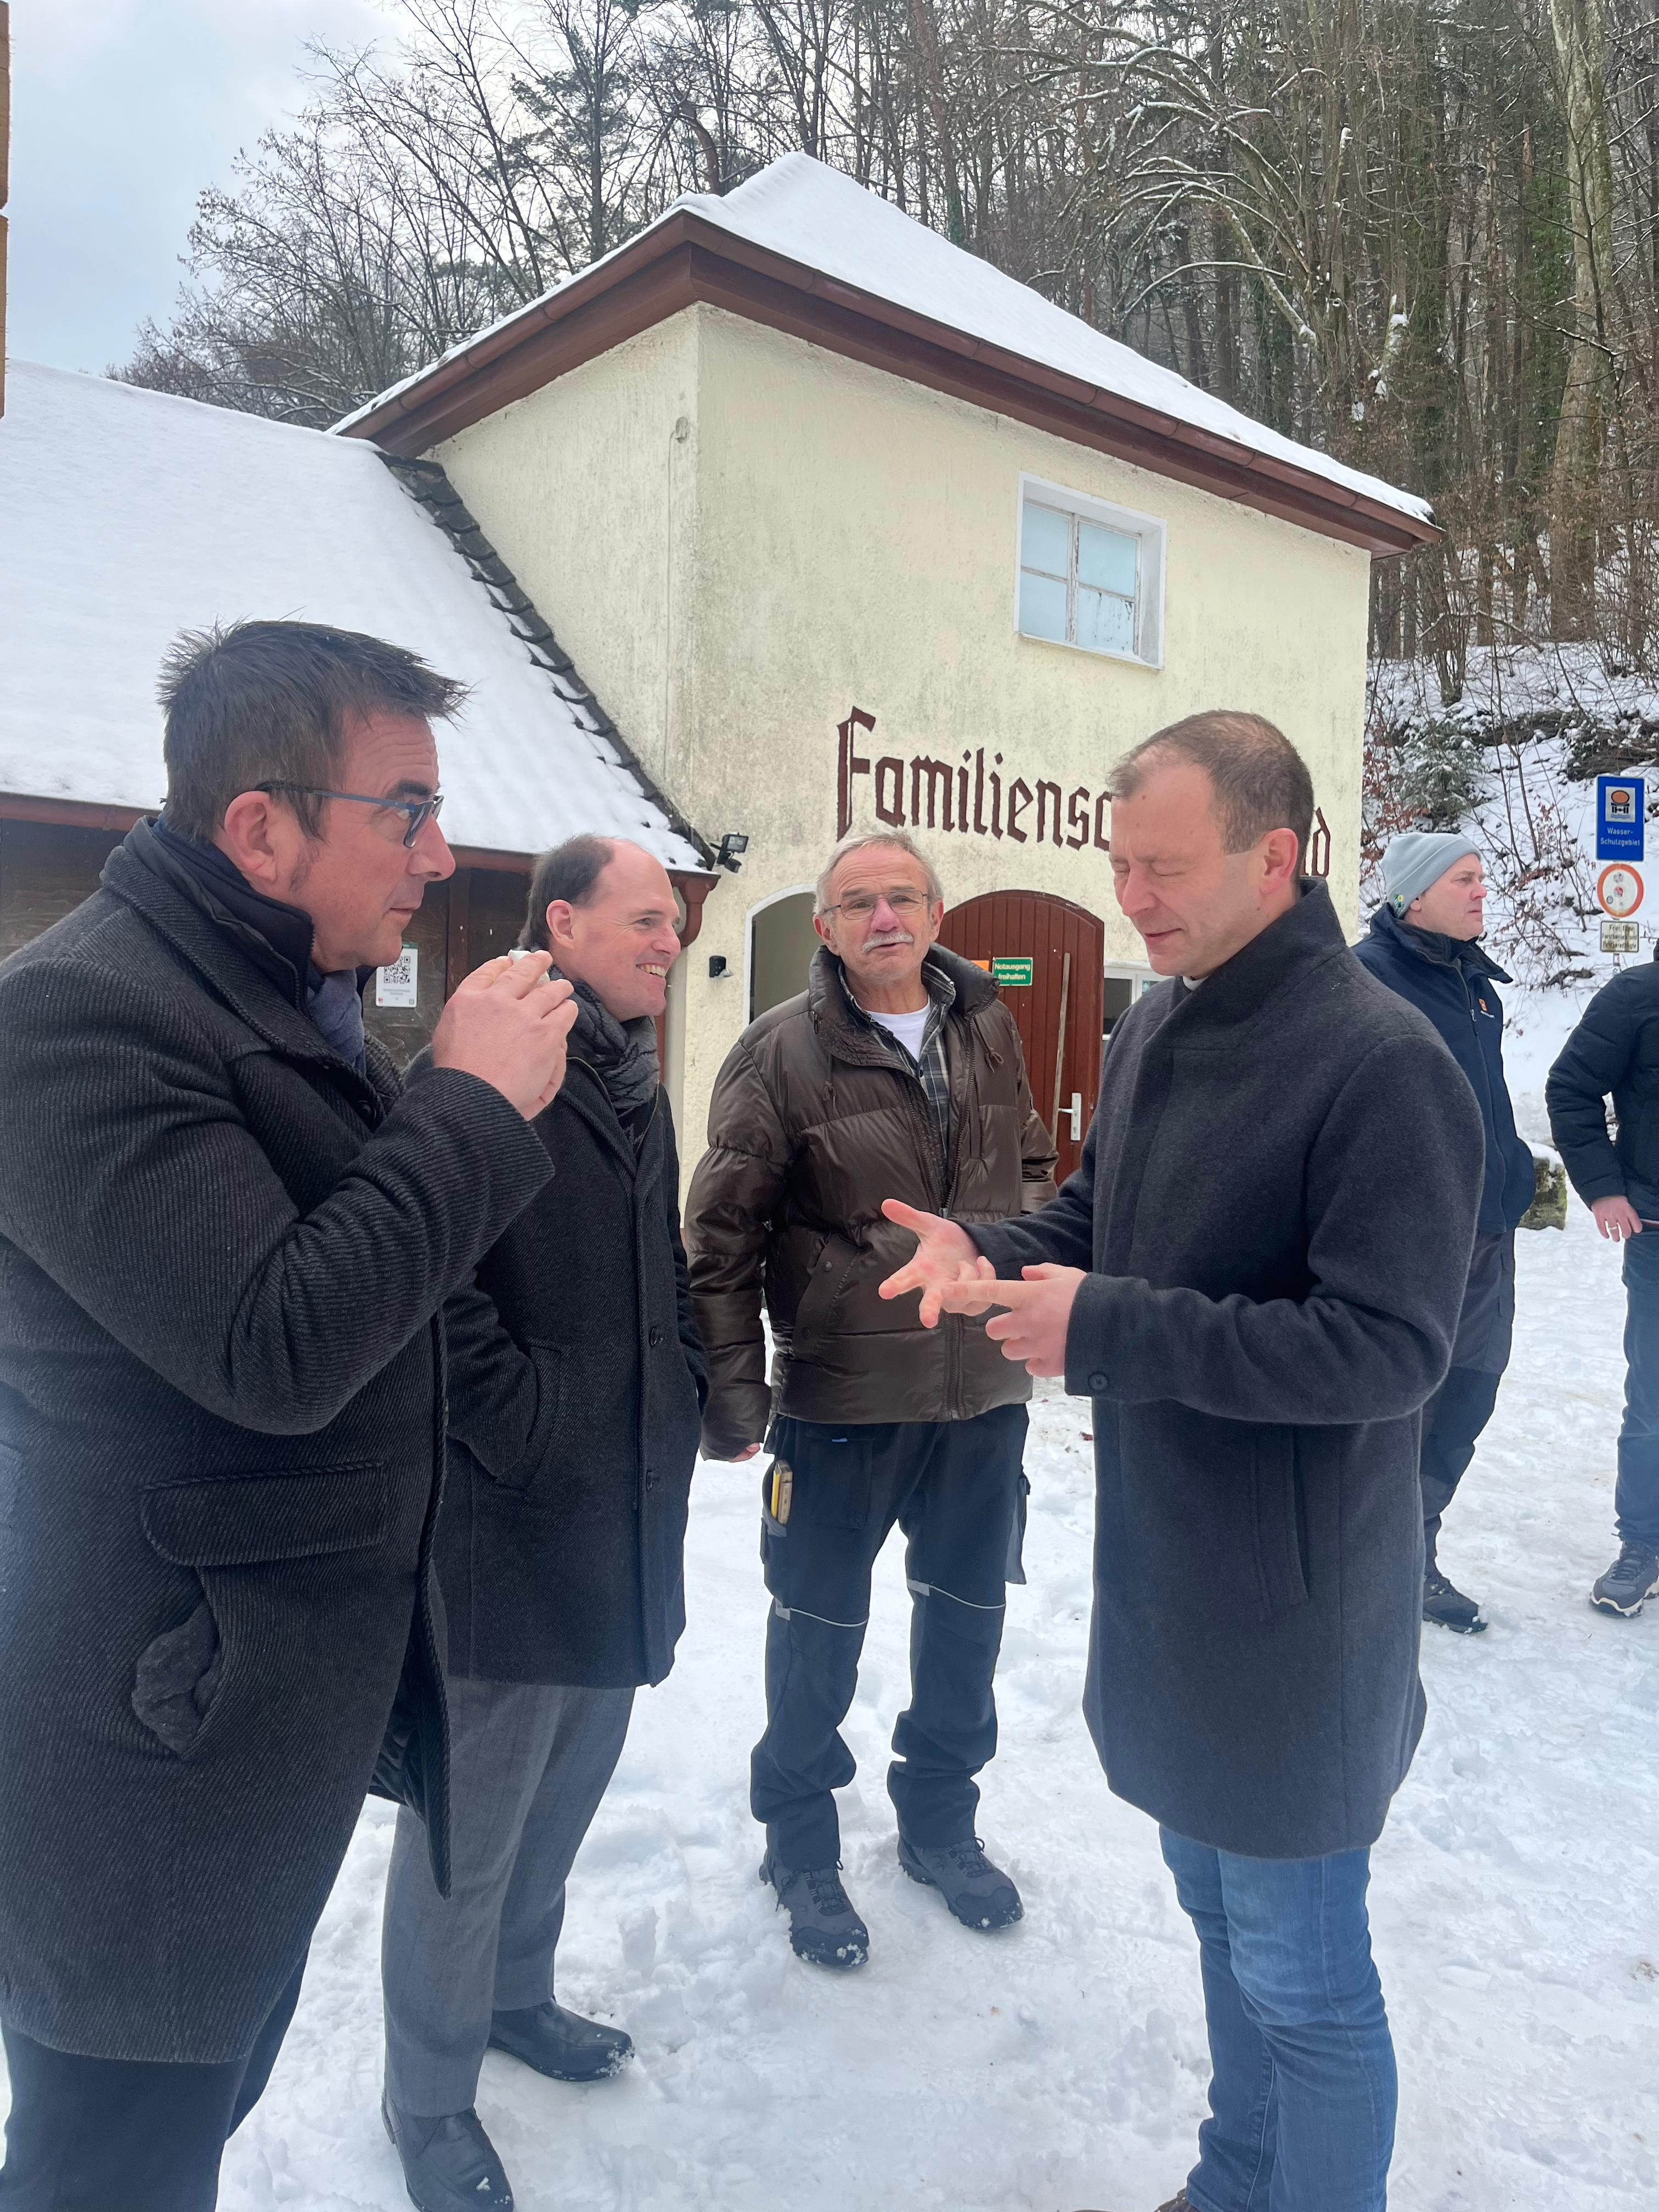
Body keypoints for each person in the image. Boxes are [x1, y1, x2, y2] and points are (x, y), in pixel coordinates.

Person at [0, 619, 578, 2212]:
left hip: (251, 1733)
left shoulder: (278, 993)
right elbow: (276, 1344)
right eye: (407, 811)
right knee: (111, 2163)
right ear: (261, 829)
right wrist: (468, 1101)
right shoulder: (72, 1019)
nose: (438, 855)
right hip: (144, 1761)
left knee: (196, 2106)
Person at [882, 713, 1483, 2212]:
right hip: (1171, 1582)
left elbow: (1390, 1350)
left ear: (1275, 858)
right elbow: (1103, 1226)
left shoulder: (1383, 1061)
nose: (1131, 896)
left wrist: (1109, 1329)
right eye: (1120, 864)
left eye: (1164, 868)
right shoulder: (1161, 1020)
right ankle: (1237, 2176)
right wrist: (990, 1249)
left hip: (1297, 1616)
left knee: (1307, 1981)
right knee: (1219, 1923)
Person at [380, 835, 707, 2212]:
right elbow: (424, 1272)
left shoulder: (631, 1070)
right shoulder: (481, 1059)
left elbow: (660, 1256)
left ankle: (516, 1998)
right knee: (471, 1827)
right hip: (507, 1517)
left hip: (619, 1504)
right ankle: (428, 2095)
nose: (672, 941)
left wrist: (689, 1384)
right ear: (560, 923)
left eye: (676, 922)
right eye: (646, 919)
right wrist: (517, 1415)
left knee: (566, 1785)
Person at [686, 829, 1057, 1971]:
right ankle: (800, 1844)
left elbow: (1030, 1166)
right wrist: (735, 1395)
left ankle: (940, 1825)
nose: (884, 917)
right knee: (816, 1634)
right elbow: (720, 1236)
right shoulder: (777, 1051)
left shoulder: (986, 1025)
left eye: (903, 896)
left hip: (981, 1395)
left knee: (965, 1627)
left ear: (937, 914)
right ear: (826, 928)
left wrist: (1024, 1282)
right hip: (842, 1400)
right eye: (858, 902)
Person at [1353, 831, 1536, 1633]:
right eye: (1464, 879)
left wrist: (1514, 1172)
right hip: (1413, 1239)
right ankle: (1373, 1563)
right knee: (1400, 1405)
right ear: (1414, 896)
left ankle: (1413, 1551)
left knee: (1468, 1396)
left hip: (1489, 1237)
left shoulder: (1477, 988)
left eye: (1481, 878)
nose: (1481, 891)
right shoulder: (1365, 979)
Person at [1546, 950, 1659, 1615]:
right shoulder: (1637, 996)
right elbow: (1570, 1088)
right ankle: (1643, 1543)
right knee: (1654, 1402)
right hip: (1658, 1232)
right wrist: (1604, 1188)